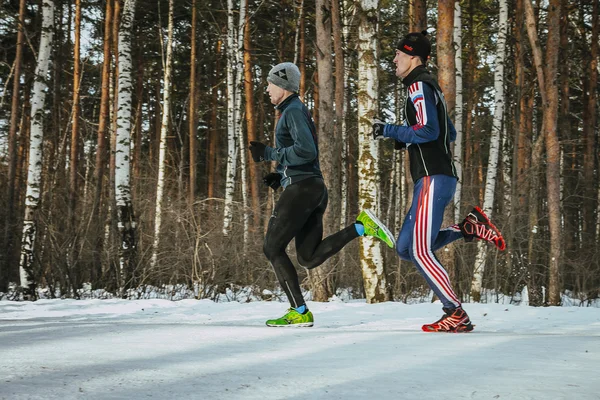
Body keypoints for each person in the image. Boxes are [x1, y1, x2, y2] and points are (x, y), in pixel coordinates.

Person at [372, 31, 506, 332]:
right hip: (434, 176)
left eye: (398, 54)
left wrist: (391, 131)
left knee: (420, 251)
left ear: (412, 57)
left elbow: (429, 131)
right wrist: (409, 138)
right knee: (406, 248)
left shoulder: (418, 85)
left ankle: (454, 311)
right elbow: (449, 133)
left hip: (433, 176)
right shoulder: (427, 87)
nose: (394, 59)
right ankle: (467, 227)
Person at [249, 62, 395, 327]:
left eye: (270, 83)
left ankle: (299, 311)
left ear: (283, 85)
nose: (267, 89)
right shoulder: (294, 110)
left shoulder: (292, 110)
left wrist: (269, 154)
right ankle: (360, 227)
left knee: (272, 247)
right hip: (313, 188)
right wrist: (280, 175)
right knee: (308, 257)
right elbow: (302, 155)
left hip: (303, 189)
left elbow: (306, 151)